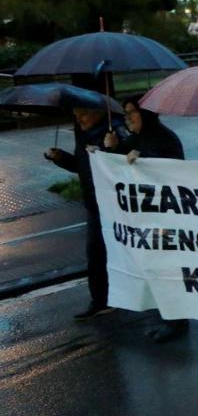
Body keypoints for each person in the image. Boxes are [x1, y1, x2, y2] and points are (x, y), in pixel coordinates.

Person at [104, 98, 188, 342]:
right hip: (148, 216)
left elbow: (169, 168)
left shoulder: (164, 137)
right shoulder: (138, 137)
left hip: (167, 217)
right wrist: (111, 149)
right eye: (126, 113)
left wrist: (143, 156)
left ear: (146, 115)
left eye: (132, 113)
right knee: (156, 267)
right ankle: (168, 316)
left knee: (168, 268)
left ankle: (176, 320)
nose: (128, 118)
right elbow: (122, 160)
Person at [45, 106, 117, 320]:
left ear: (97, 113)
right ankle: (101, 301)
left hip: (115, 205)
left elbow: (122, 164)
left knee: (121, 252)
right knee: (95, 253)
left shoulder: (113, 131)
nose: (79, 119)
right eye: (75, 115)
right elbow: (83, 167)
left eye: (83, 114)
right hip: (94, 204)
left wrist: (112, 149)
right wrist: (61, 158)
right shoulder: (83, 135)